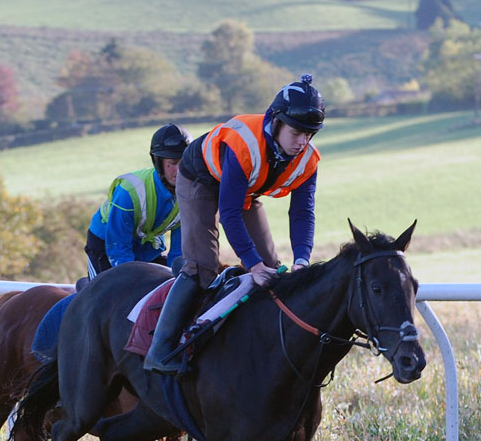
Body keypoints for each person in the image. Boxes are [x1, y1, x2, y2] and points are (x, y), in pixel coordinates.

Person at [144, 74, 324, 373]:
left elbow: (303, 212)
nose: (302, 141)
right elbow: (228, 212)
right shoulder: (245, 144)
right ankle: (160, 349)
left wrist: (302, 260)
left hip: (244, 188)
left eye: (310, 133)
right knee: (203, 266)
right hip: (199, 179)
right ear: (276, 122)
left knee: (272, 265)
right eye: (296, 132)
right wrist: (251, 264)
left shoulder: (308, 159)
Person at [84, 123, 191, 278]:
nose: (179, 171)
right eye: (173, 164)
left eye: (184, 163)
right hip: (107, 245)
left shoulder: (190, 194)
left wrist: (177, 278)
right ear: (158, 162)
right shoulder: (129, 193)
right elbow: (118, 249)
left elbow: (178, 252)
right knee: (109, 295)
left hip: (144, 245)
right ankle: (70, 302)